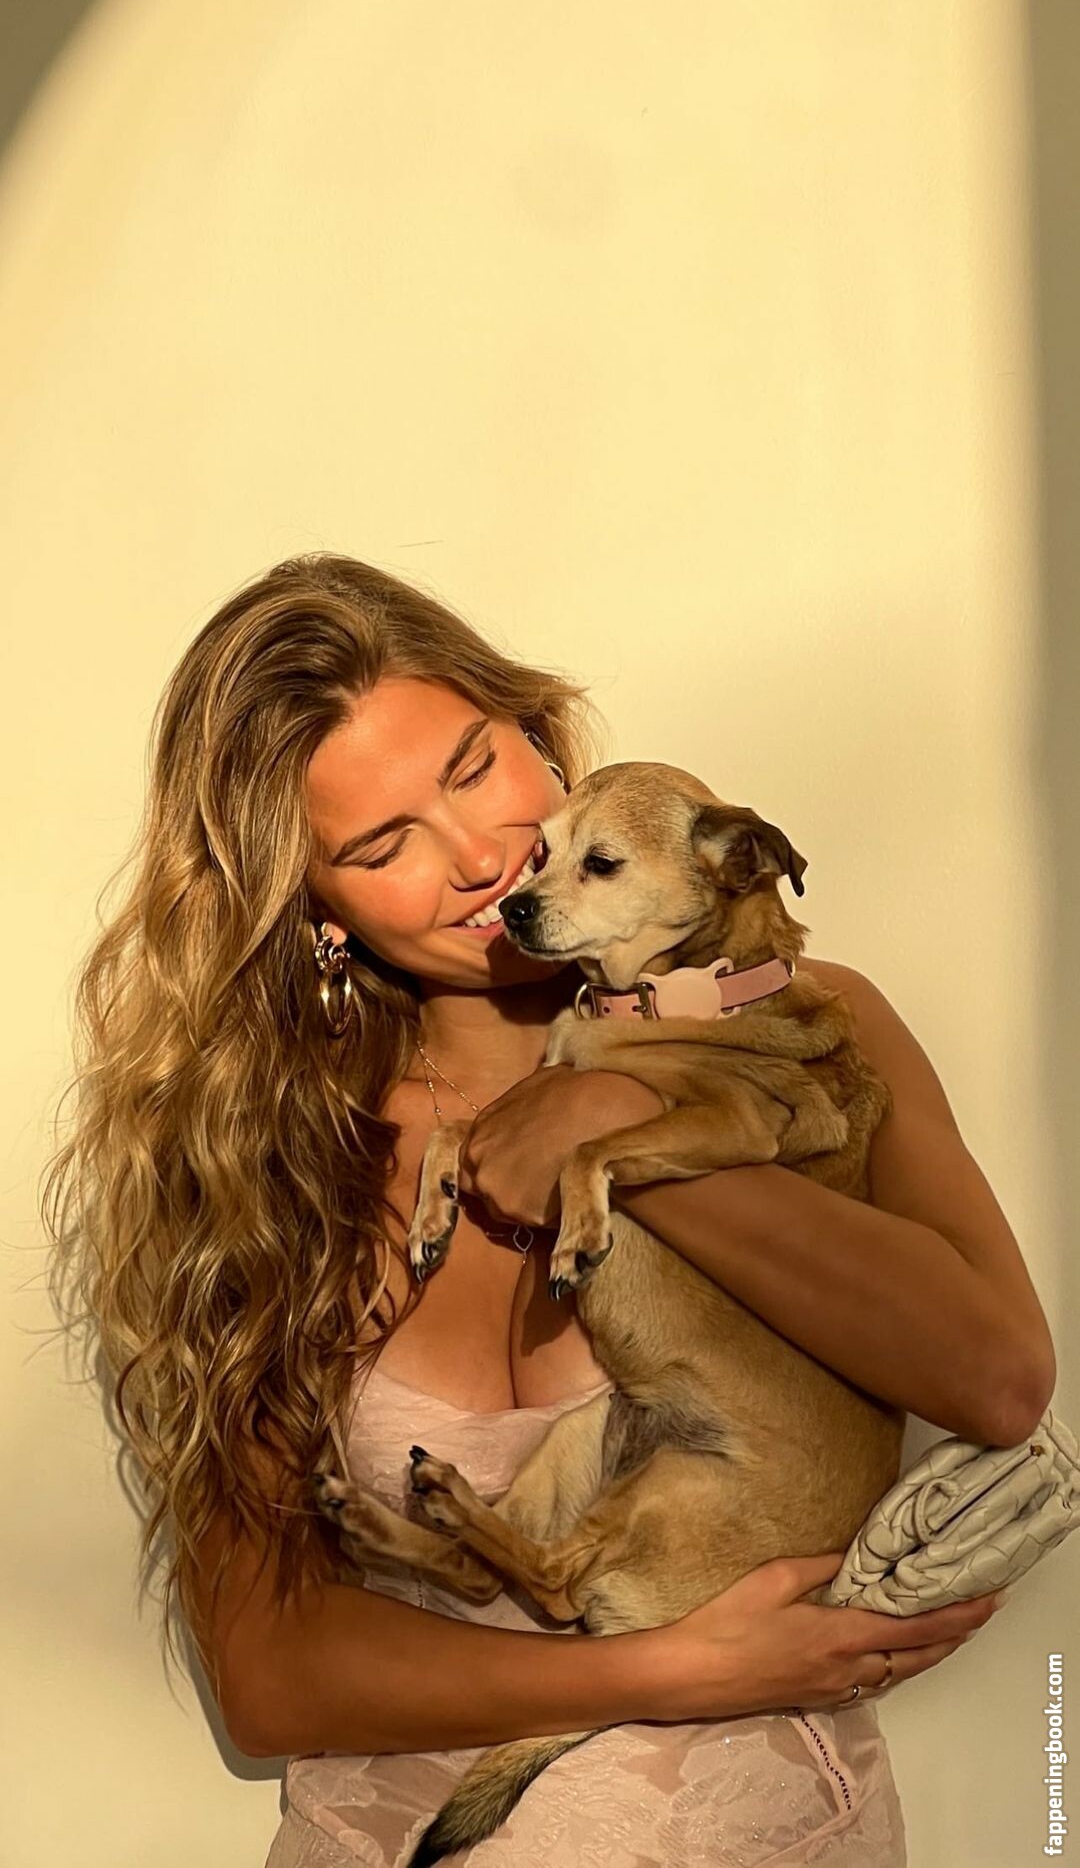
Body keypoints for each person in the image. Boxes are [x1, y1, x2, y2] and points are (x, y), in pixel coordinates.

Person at [43, 552, 1047, 1867]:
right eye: (384, 844)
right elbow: (269, 1674)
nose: (478, 857)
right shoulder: (264, 1165)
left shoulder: (807, 1028)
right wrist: (675, 1670)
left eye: (474, 769)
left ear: (538, 735)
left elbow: (995, 1381)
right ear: (314, 907)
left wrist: (611, 1128)